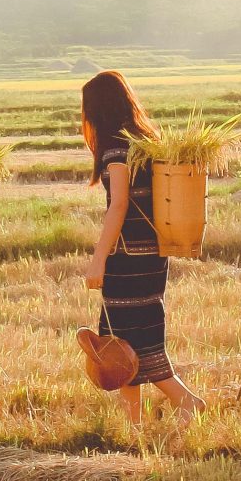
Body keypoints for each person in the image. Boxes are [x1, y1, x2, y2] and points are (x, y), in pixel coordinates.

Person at [80, 70, 204, 422]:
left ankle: (186, 400)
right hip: (152, 255)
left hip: (127, 259)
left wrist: (99, 259)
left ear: (97, 111)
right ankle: (132, 424)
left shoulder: (116, 149)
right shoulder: (143, 143)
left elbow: (118, 205)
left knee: (124, 341)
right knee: (129, 338)